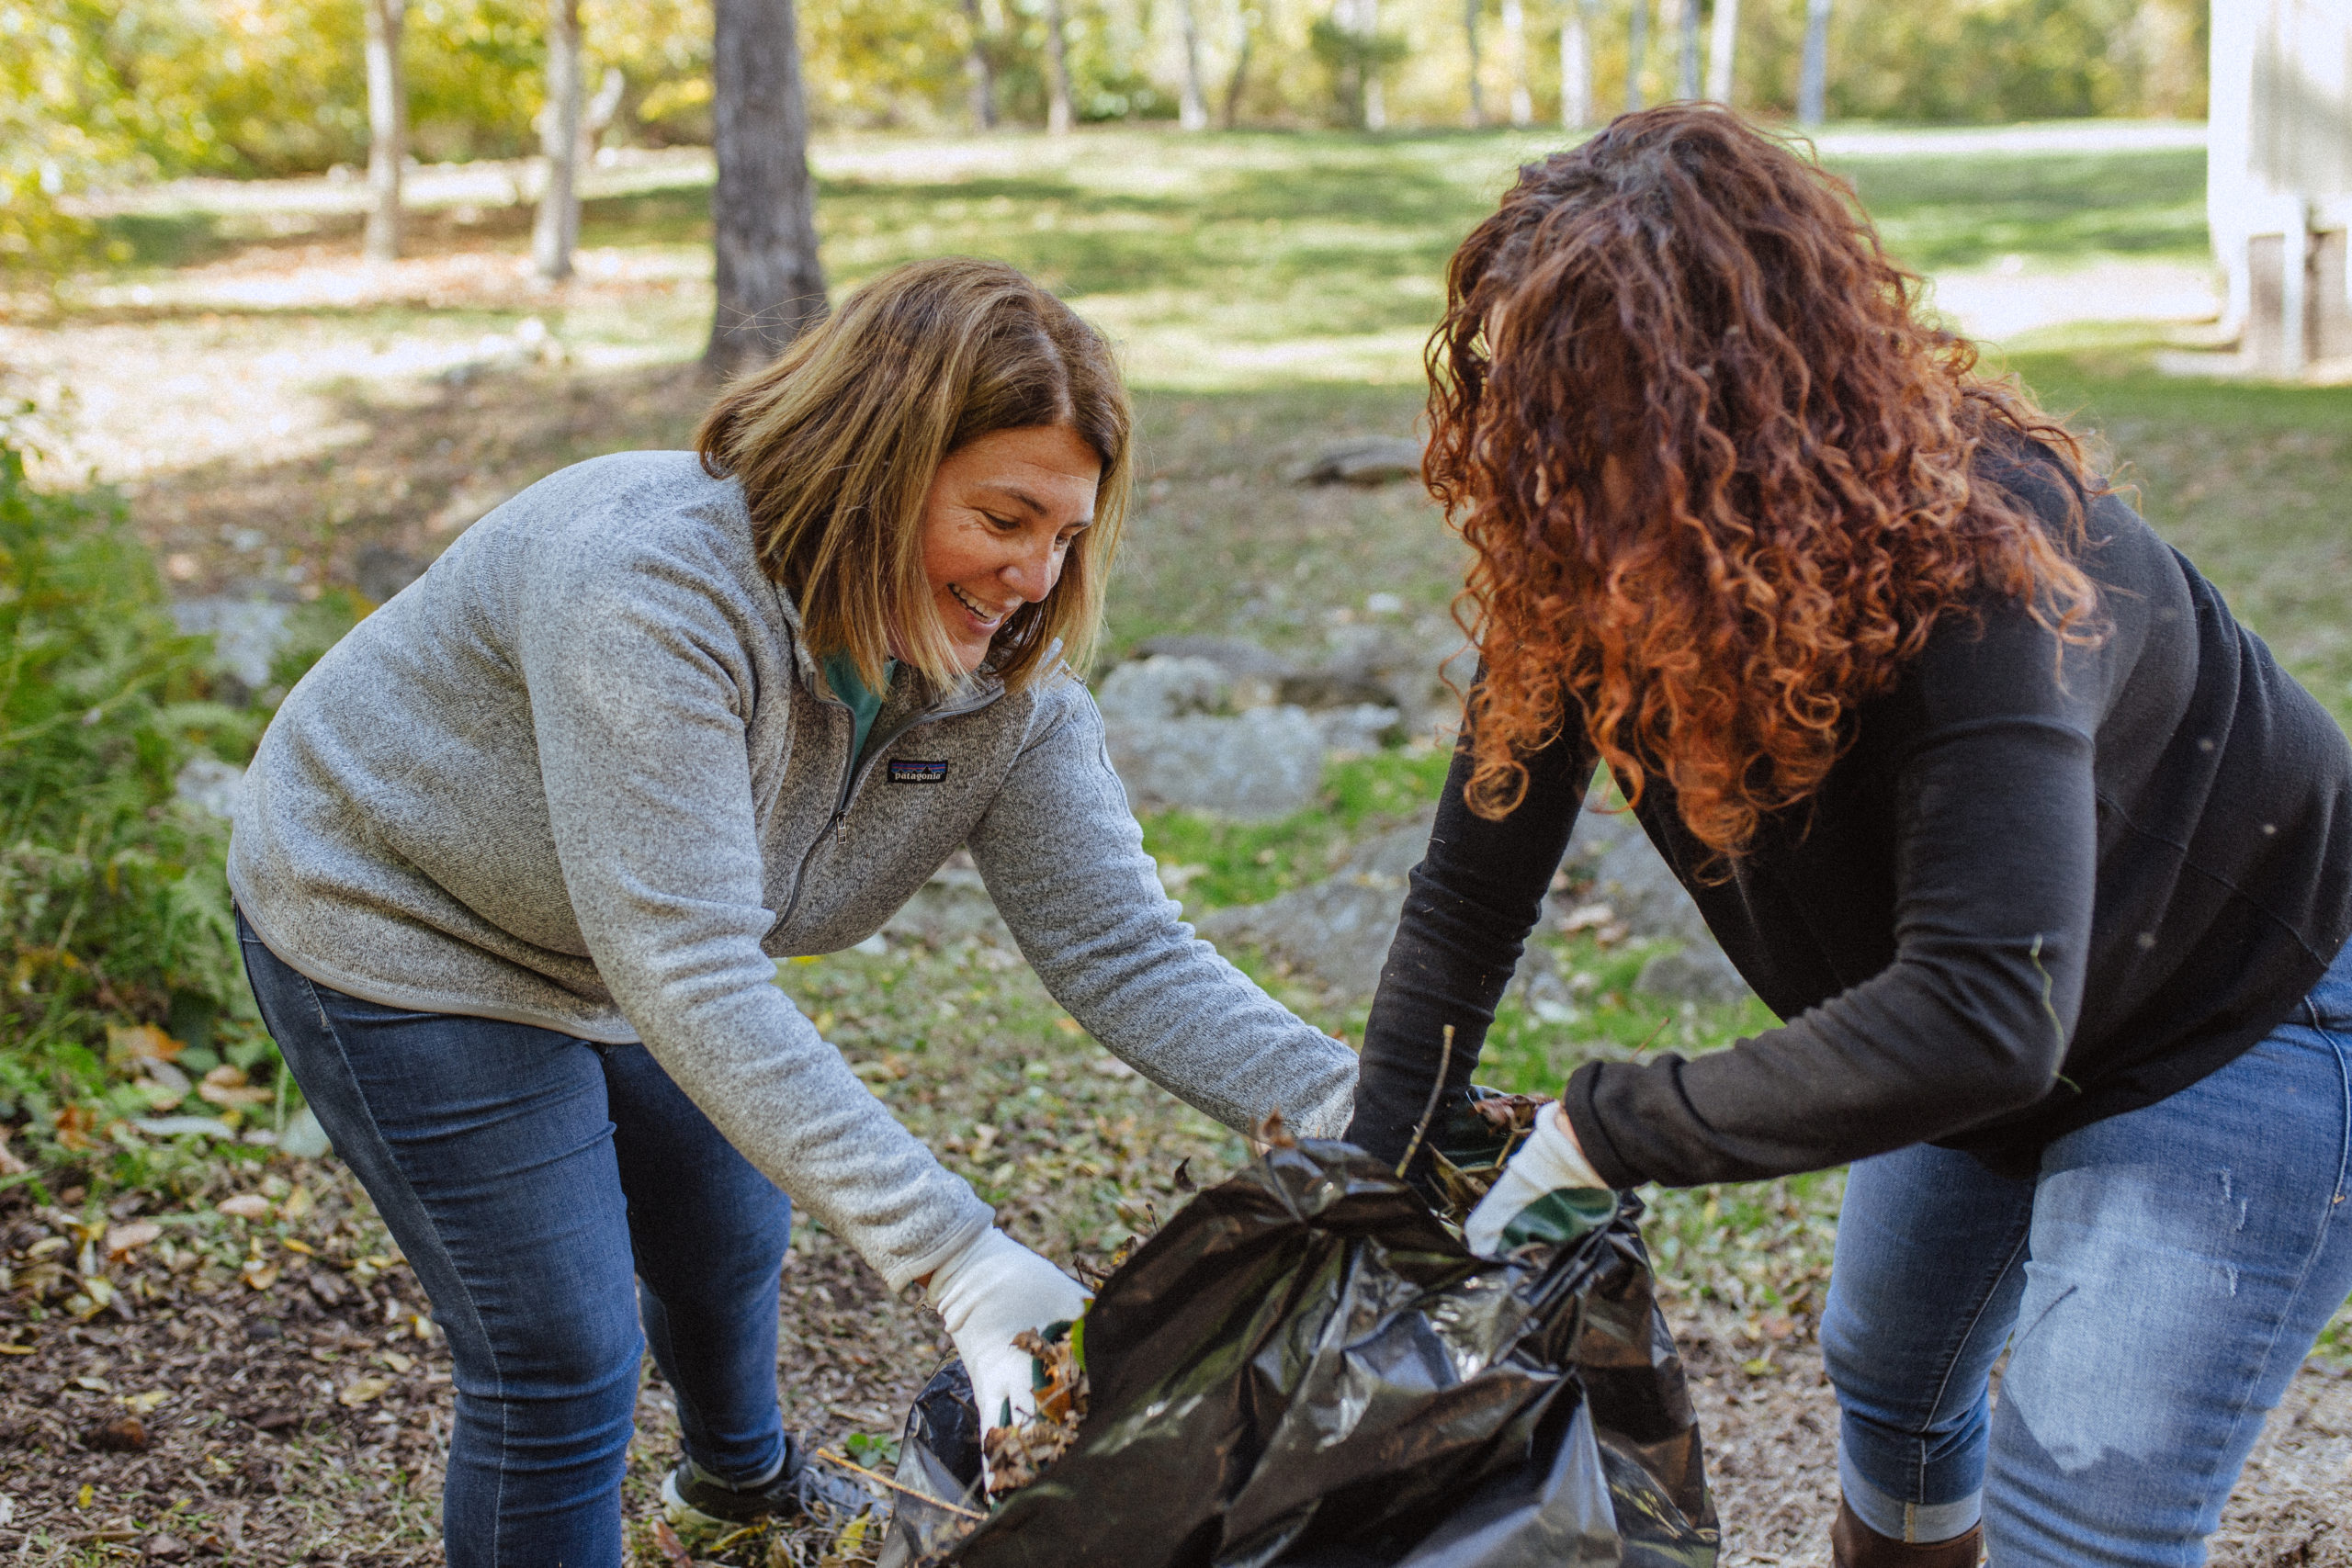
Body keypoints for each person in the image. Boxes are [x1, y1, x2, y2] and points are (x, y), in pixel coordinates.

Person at [229, 257, 1357, 1568]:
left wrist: (1368, 1111)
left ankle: (739, 1491)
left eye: (1065, 534)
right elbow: (692, 964)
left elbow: (1125, 948)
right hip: (401, 915)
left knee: (726, 1231)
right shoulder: (651, 594)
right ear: (876, 468)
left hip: (634, 927)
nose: (1036, 577)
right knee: (561, 1354)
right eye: (1002, 519)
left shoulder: (1004, 687)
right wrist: (959, 1260)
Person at [1344, 107, 2352, 1567]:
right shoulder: (1589, 553)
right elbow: (1465, 904)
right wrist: (1369, 1204)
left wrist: (1598, 1128)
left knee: (2086, 1510)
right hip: (1990, 1014)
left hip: (2245, 1014)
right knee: (1893, 1373)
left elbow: (1984, 1013)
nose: (1554, 479)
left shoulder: (1992, 558)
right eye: (1538, 417)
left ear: (1752, 405)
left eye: (1608, 427)